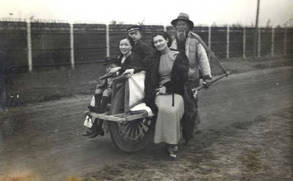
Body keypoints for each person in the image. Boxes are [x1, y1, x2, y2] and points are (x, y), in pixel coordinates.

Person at [144, 32, 189, 159]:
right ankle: (166, 140)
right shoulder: (153, 58)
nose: (158, 44)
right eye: (155, 42)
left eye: (160, 41)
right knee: (164, 109)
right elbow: (142, 66)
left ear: (167, 40)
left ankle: (172, 143)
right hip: (159, 93)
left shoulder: (179, 56)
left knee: (173, 110)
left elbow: (183, 77)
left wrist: (167, 87)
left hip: (176, 90)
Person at [170, 12, 212, 144]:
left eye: (183, 24)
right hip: (177, 79)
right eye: (178, 25)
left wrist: (206, 76)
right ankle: (184, 128)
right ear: (175, 27)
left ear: (188, 26)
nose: (180, 27)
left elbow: (203, 59)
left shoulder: (195, 41)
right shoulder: (173, 41)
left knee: (191, 106)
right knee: (178, 105)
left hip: (191, 78)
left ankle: (189, 133)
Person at [83, 56, 117, 138]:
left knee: (104, 94)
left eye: (111, 67)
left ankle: (97, 127)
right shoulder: (107, 75)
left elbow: (117, 87)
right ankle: (91, 128)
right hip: (105, 97)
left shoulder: (117, 74)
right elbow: (102, 85)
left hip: (114, 96)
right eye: (107, 67)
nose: (109, 69)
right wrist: (100, 86)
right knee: (92, 105)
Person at [110, 37, 146, 115]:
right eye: (121, 45)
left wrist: (120, 68)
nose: (123, 47)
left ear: (131, 46)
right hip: (120, 82)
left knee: (117, 101)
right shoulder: (120, 57)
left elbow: (138, 68)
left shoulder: (135, 57)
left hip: (131, 85)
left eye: (126, 45)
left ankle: (113, 115)